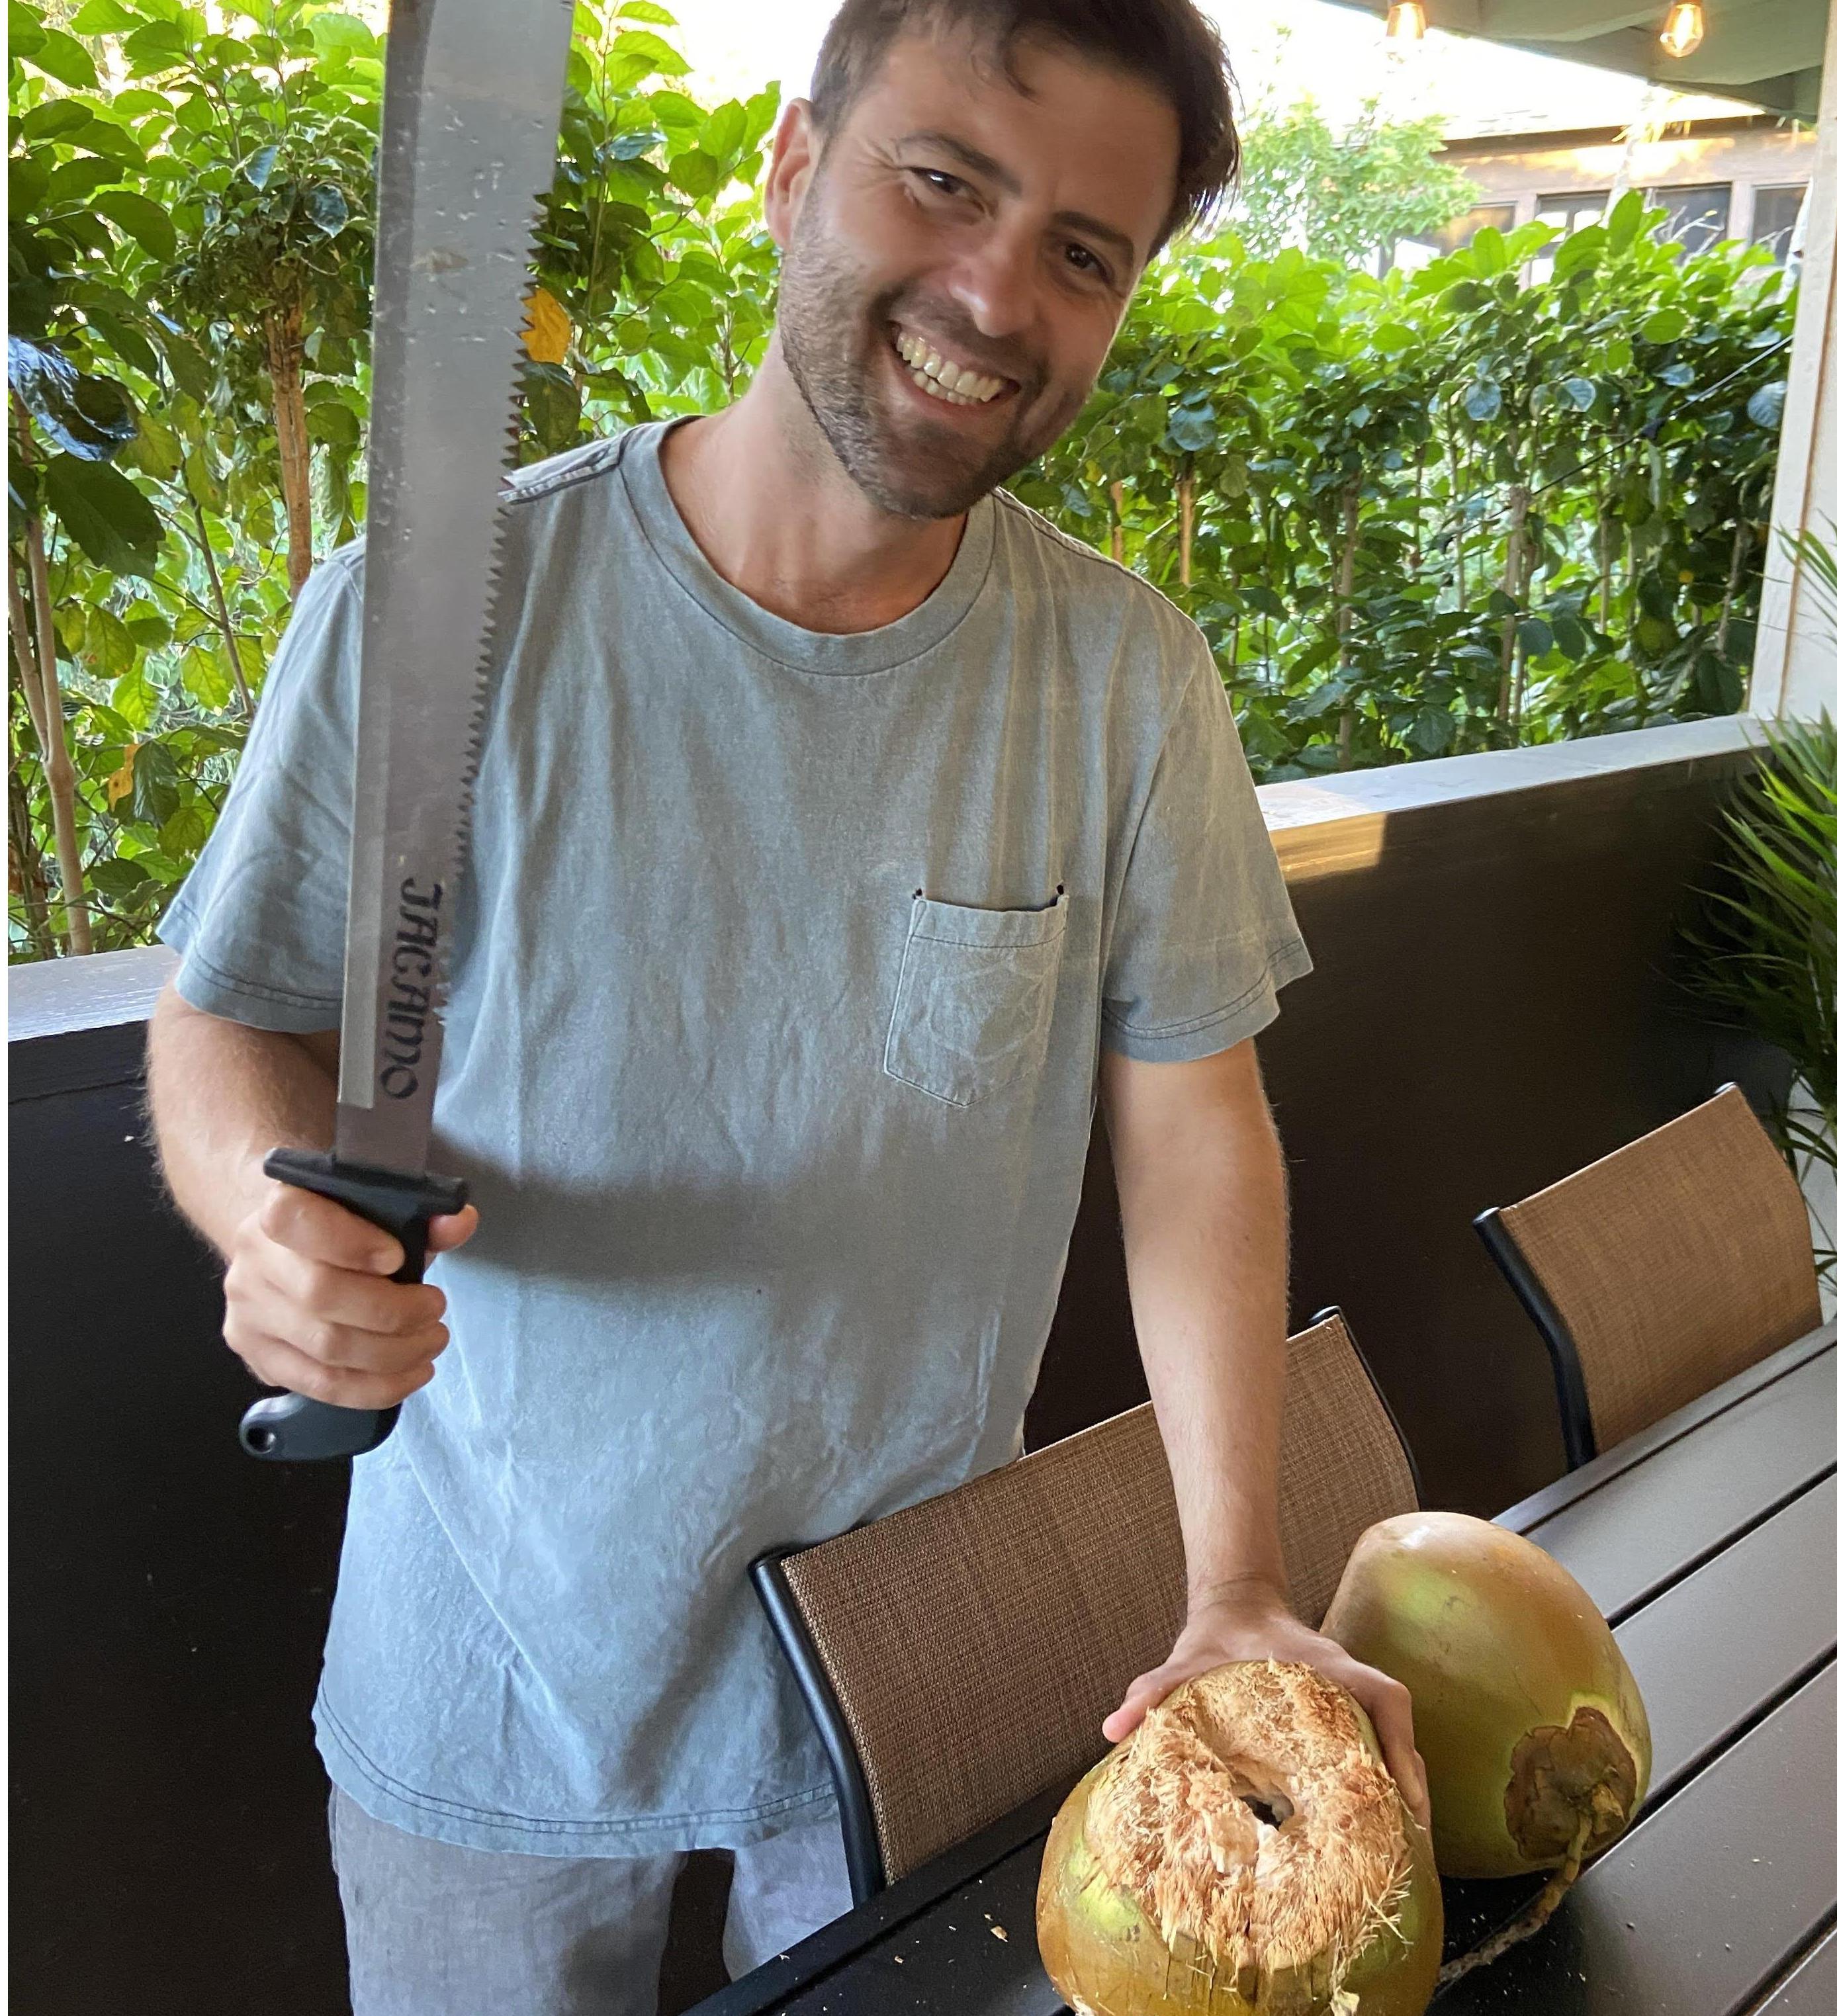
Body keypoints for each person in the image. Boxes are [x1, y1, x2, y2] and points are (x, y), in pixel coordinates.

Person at [146, 2, 1428, 2009]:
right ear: (788, 163)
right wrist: (263, 1220)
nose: (997, 292)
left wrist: (1238, 1581)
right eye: (945, 179)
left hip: (923, 1675)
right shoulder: (448, 609)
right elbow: (230, 1014)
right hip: (485, 1669)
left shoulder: (1122, 681)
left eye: (1084, 253)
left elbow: (1192, 1131)